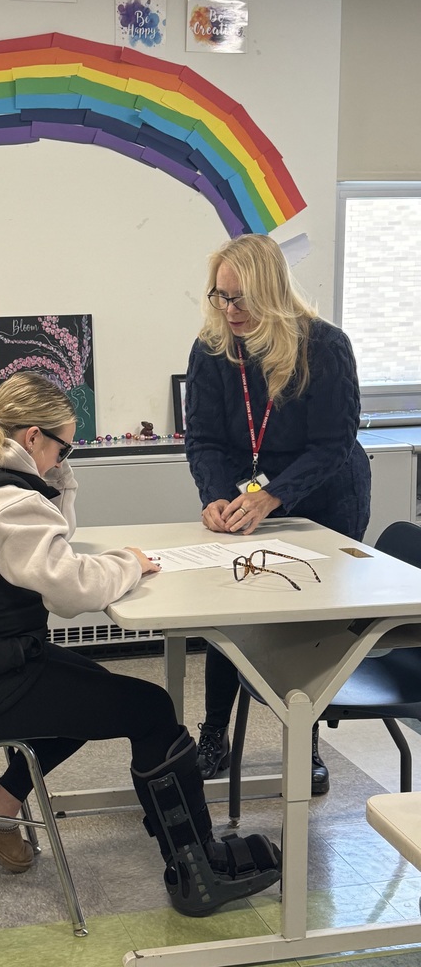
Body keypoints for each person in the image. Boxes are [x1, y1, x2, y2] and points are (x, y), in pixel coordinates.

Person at [0, 371, 282, 915]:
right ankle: (199, 871)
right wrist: (130, 564)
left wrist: (60, 473)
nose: (65, 460)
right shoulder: (6, 504)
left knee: (90, 689)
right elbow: (72, 591)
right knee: (151, 710)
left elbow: (54, 538)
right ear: (32, 438)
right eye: (64, 447)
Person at [184, 233, 371, 793]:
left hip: (325, 496)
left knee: (308, 623)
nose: (230, 310)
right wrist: (216, 497)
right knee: (231, 607)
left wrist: (271, 497)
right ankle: (214, 734)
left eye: (241, 299)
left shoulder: (325, 346)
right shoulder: (212, 347)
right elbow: (204, 439)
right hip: (247, 494)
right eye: (220, 297)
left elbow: (333, 443)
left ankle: (306, 742)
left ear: (273, 293)